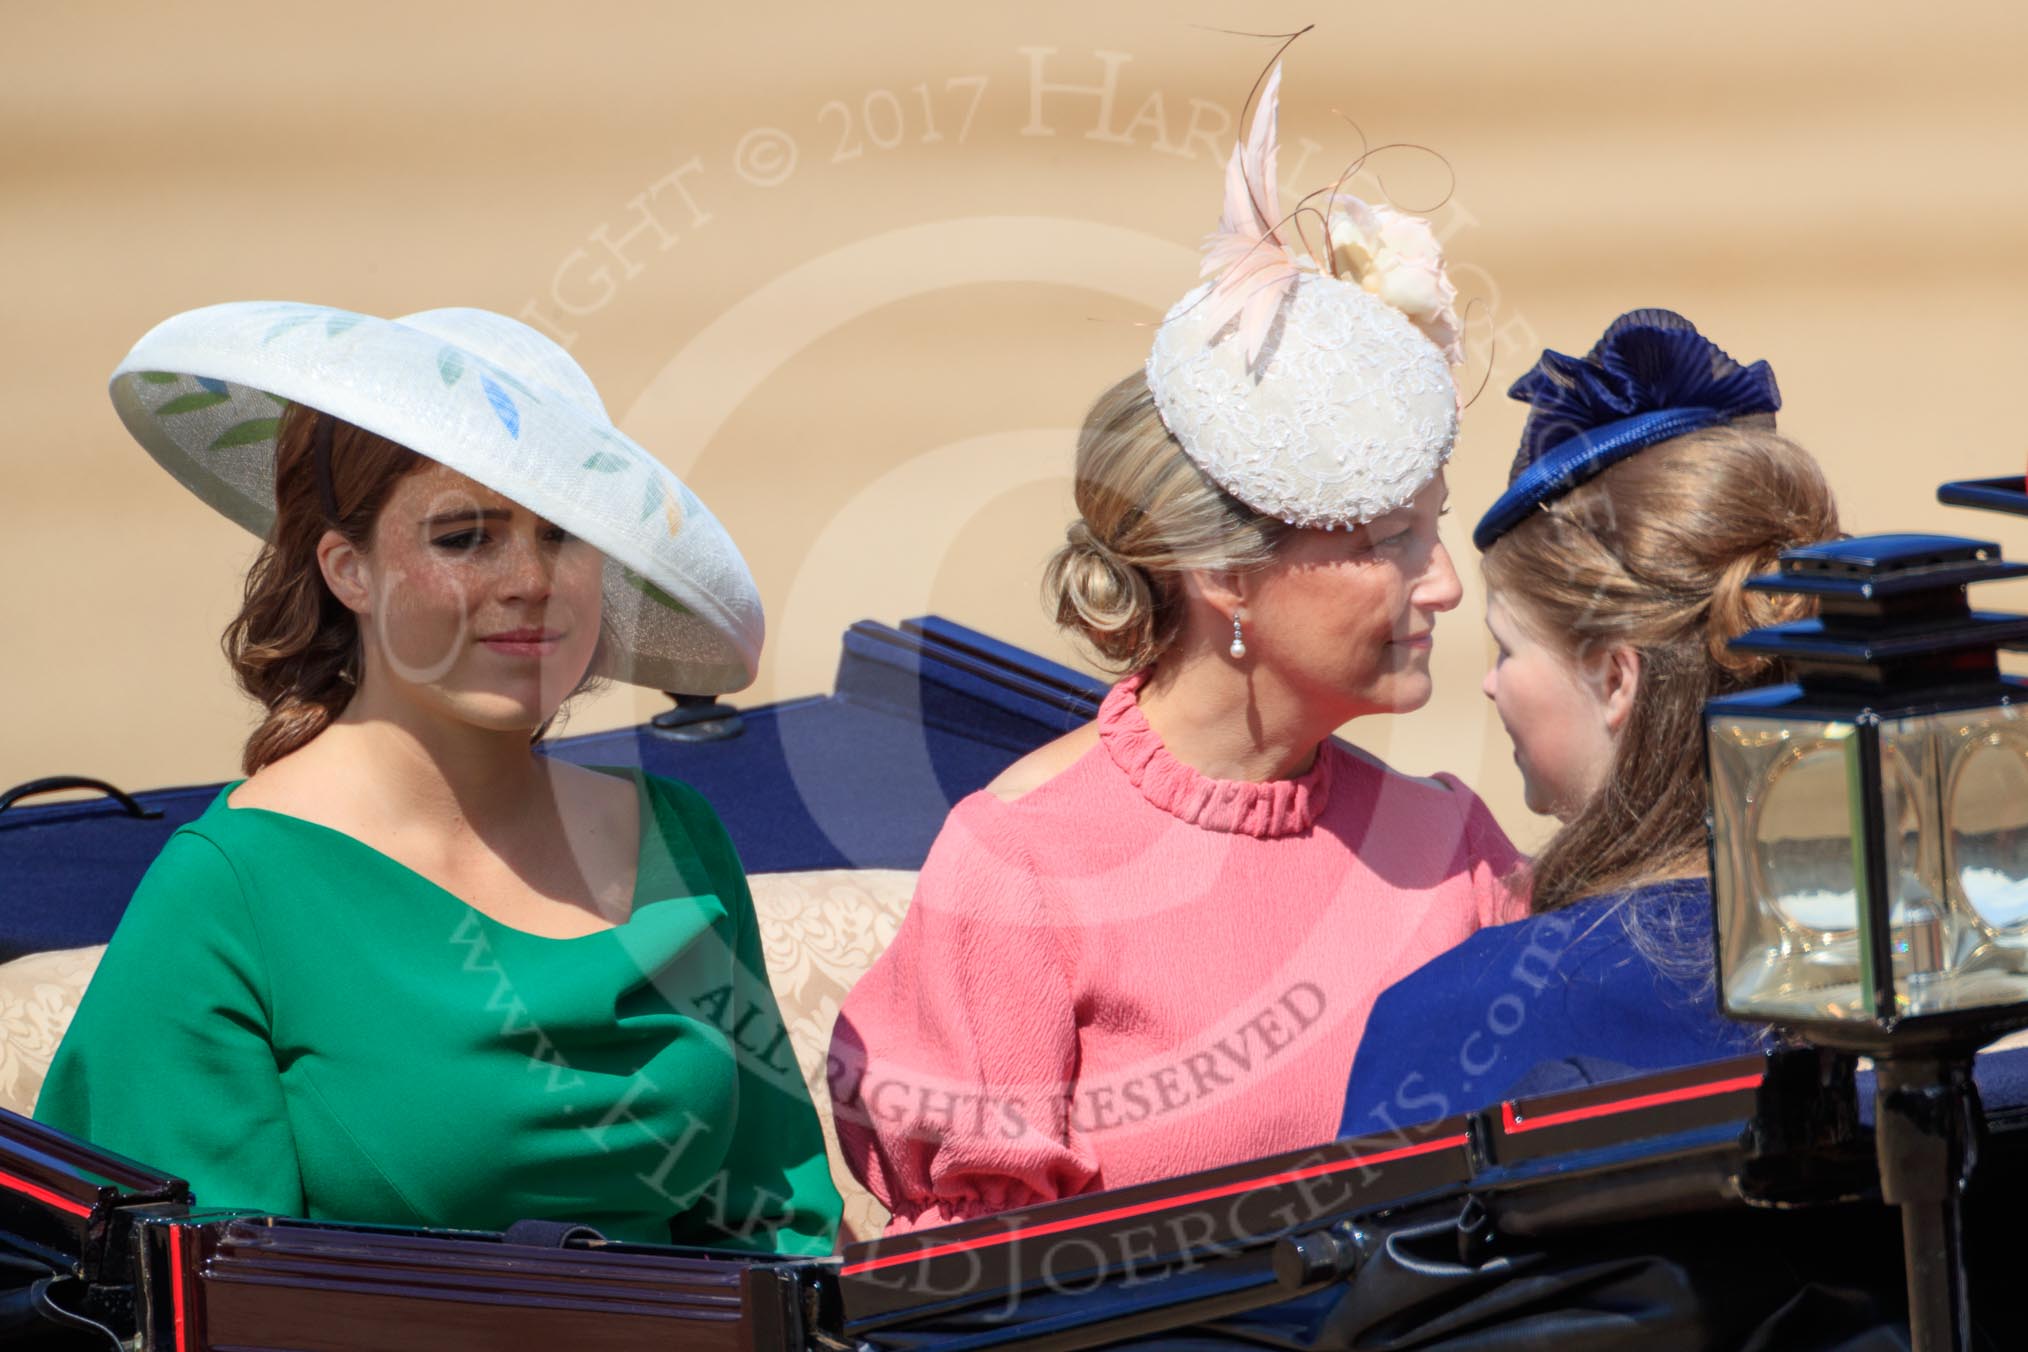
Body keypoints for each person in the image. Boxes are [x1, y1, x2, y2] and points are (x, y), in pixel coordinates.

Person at [828, 64, 1525, 1235]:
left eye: (1435, 526)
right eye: (1383, 540)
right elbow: (977, 1295)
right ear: (1224, 572)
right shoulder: (1021, 872)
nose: (1445, 580)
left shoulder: (1456, 852)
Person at [36, 302, 841, 1254]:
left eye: (563, 536)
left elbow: (783, 1235)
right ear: (350, 569)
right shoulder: (230, 892)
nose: (531, 582)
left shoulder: (678, 834)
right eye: (466, 538)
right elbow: (196, 1296)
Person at [1340, 309, 1842, 1139]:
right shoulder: (1920, 963)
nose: (1493, 688)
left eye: (1507, 649)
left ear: (1616, 678)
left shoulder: (1459, 1017)